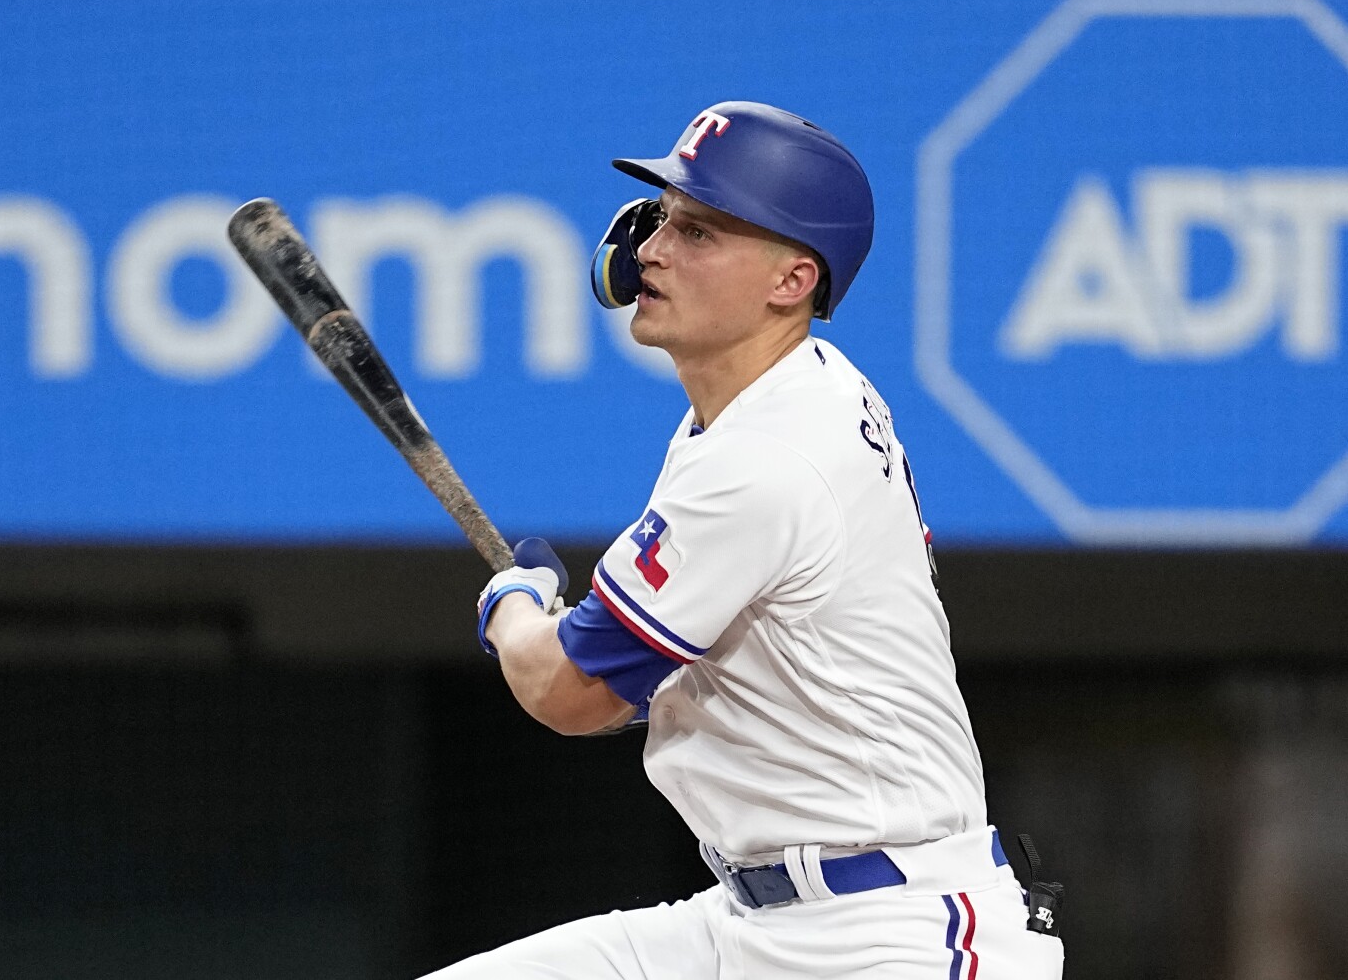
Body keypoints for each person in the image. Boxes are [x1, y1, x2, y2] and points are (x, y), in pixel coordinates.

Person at [433, 101, 1064, 979]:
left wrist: (515, 609)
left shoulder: (765, 455)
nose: (650, 249)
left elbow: (565, 695)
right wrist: (602, 657)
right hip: (753, 921)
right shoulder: (776, 395)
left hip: (888, 937)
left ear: (791, 281)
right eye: (660, 220)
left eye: (697, 231)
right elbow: (671, 678)